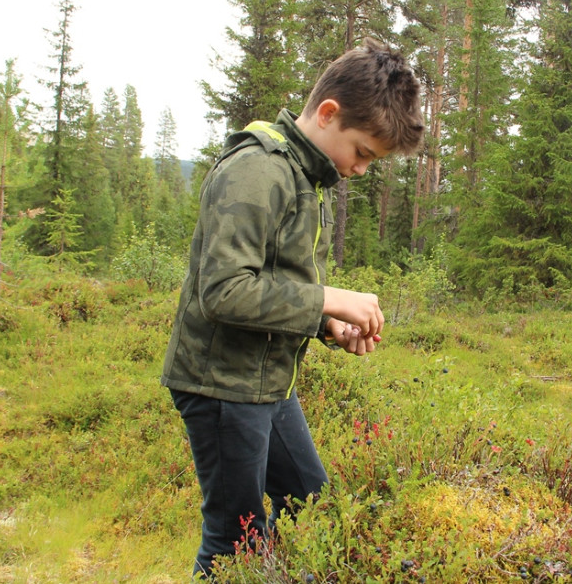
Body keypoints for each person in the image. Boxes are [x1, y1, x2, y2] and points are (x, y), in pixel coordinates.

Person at [160, 38, 424, 580]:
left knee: (310, 504)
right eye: (363, 152)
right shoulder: (259, 169)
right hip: (221, 386)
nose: (360, 169)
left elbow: (274, 286)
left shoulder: (306, 176)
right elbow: (224, 290)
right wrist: (330, 298)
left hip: (267, 382)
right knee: (235, 543)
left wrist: (327, 326)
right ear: (328, 113)